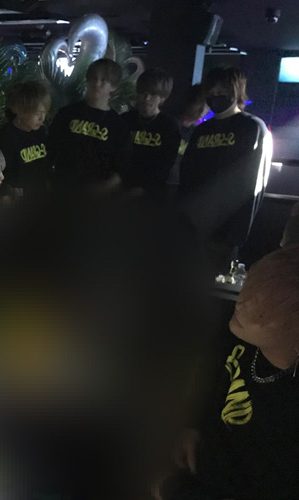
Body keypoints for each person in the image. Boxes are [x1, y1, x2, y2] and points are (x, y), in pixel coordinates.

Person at [161, 246, 299, 500]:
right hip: (199, 462)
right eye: (249, 290)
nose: (241, 305)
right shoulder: (242, 340)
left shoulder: (288, 412)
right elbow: (212, 375)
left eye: (261, 312)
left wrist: (171, 489)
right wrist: (193, 424)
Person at [176, 67, 272, 274]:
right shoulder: (201, 131)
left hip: (225, 235)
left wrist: (236, 235)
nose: (216, 96)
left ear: (236, 91)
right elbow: (187, 176)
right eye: (211, 91)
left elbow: (253, 183)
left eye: (222, 91)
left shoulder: (252, 128)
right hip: (193, 230)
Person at [48, 57, 131, 189]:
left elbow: (122, 170)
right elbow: (49, 150)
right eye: (93, 78)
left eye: (103, 80)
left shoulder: (118, 126)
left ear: (113, 86)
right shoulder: (67, 114)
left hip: (96, 195)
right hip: (62, 191)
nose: (97, 83)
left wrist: (100, 192)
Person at [0, 80, 52, 203]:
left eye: (44, 113)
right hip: (16, 203)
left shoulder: (41, 133)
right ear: (19, 111)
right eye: (37, 113)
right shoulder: (4, 138)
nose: (42, 118)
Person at [122, 68, 182, 201]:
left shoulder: (169, 125)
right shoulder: (125, 120)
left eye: (153, 94)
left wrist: (143, 188)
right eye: (143, 93)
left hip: (151, 196)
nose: (147, 98)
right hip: (121, 188)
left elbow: (166, 163)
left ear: (162, 98)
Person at [167, 84, 209, 198]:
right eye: (200, 105)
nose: (203, 111)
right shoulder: (170, 123)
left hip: (181, 186)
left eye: (207, 107)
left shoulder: (197, 132)